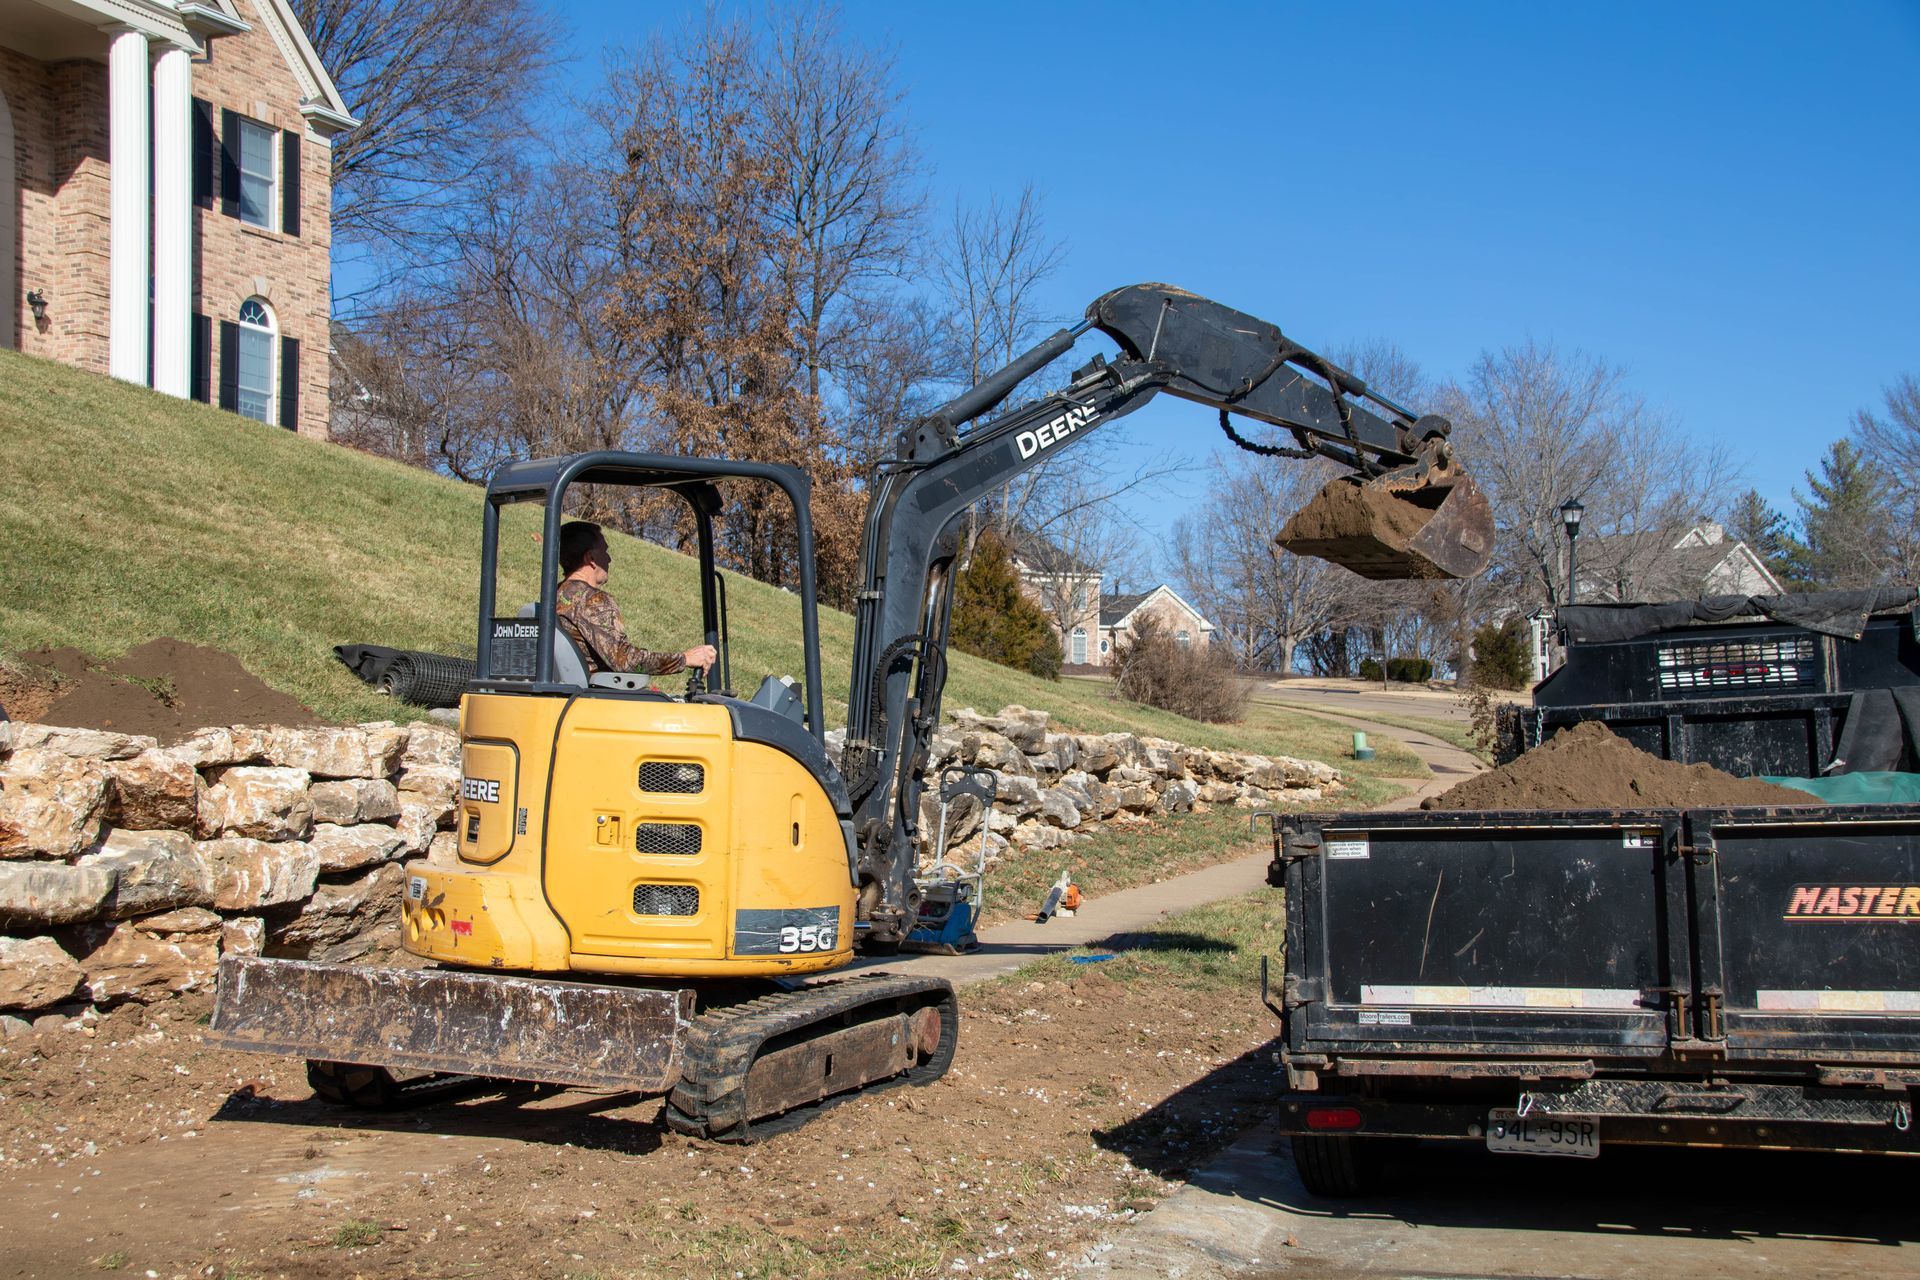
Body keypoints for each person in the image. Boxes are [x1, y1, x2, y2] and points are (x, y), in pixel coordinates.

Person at [554, 521, 717, 678]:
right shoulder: (592, 600)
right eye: (605, 551)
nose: (609, 559)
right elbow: (625, 661)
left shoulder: (554, 596)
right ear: (590, 558)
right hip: (599, 697)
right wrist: (685, 658)